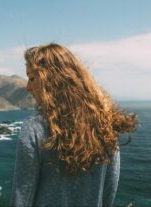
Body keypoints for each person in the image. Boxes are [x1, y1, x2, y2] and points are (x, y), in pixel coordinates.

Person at [10, 43, 138, 207]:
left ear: (51, 80)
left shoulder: (34, 128)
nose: (28, 87)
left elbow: (23, 195)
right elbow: (109, 189)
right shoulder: (106, 123)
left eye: (32, 78)